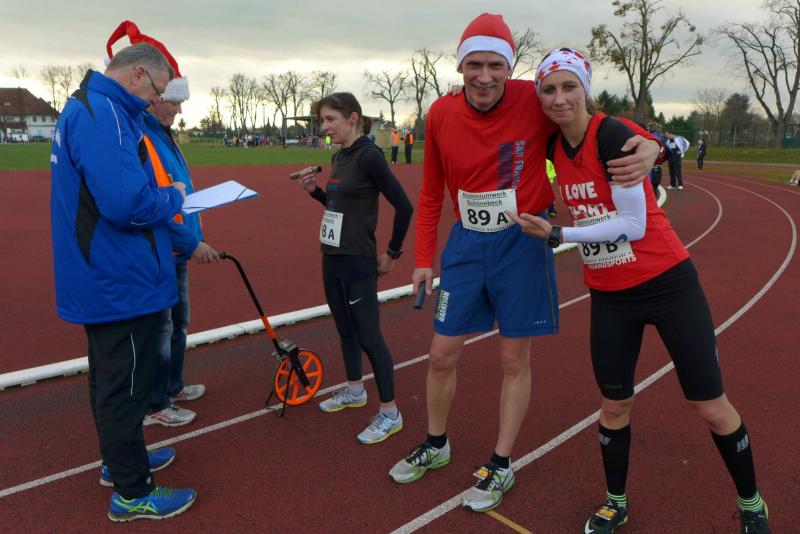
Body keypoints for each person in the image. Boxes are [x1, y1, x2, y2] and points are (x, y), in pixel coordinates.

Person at [388, 13, 662, 513]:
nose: (484, 76)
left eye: (495, 65)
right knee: (441, 353)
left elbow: (596, 123)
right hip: (466, 246)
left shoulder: (533, 100)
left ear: (509, 68)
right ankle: (436, 441)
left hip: (522, 243)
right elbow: (430, 192)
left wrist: (653, 143)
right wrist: (423, 258)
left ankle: (501, 462)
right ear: (460, 66)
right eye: (474, 65)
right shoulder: (441, 112)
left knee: (514, 360)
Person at [509, 47, 770, 534]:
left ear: (586, 88)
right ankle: (616, 502)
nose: (559, 98)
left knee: (710, 406)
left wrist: (559, 234)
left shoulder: (611, 134)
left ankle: (752, 502)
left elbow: (632, 225)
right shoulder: (551, 146)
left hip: (667, 285)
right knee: (614, 405)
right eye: (549, 89)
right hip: (610, 296)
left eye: (569, 87)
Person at [50, 34, 196, 521]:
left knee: (111, 380)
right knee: (125, 387)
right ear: (137, 73)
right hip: (119, 279)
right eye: (156, 90)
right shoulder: (105, 115)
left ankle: (121, 461)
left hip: (107, 275)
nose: (156, 101)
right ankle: (133, 492)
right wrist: (174, 195)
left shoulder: (92, 107)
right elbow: (126, 204)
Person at [293, 92, 414, 444]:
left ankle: (390, 412)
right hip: (332, 256)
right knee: (344, 329)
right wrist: (314, 191)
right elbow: (337, 206)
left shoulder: (369, 156)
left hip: (358, 259)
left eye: (330, 119)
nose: (325, 127)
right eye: (322, 120)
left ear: (353, 118)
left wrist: (392, 252)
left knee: (368, 336)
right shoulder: (339, 156)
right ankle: (354, 390)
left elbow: (404, 206)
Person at [125, 25, 220, 428]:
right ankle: (155, 402)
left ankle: (172, 384)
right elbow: (155, 202)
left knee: (178, 323)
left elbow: (180, 191)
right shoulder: (144, 136)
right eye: (175, 103)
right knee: (161, 328)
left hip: (177, 245)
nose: (179, 111)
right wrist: (191, 242)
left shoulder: (165, 136)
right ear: (157, 99)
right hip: (163, 248)